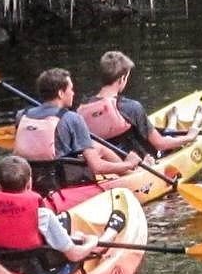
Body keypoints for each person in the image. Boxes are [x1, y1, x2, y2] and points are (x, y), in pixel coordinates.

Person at [0, 155, 108, 274]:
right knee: (79, 243)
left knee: (68, 233)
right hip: (38, 273)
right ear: (29, 183)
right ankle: (106, 236)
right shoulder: (43, 215)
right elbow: (74, 255)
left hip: (3, 269)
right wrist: (91, 241)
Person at [14, 67, 140, 195]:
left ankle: (129, 172)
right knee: (99, 148)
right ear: (60, 93)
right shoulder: (72, 118)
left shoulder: (22, 115)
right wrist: (129, 164)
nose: (73, 93)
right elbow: (97, 167)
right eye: (71, 89)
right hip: (61, 182)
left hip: (30, 179)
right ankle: (132, 173)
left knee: (95, 146)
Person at [77, 51, 197, 159]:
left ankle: (172, 120)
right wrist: (189, 137)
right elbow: (160, 144)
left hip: (110, 164)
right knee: (167, 139)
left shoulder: (83, 108)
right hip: (141, 162)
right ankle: (177, 123)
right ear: (122, 79)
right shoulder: (131, 107)